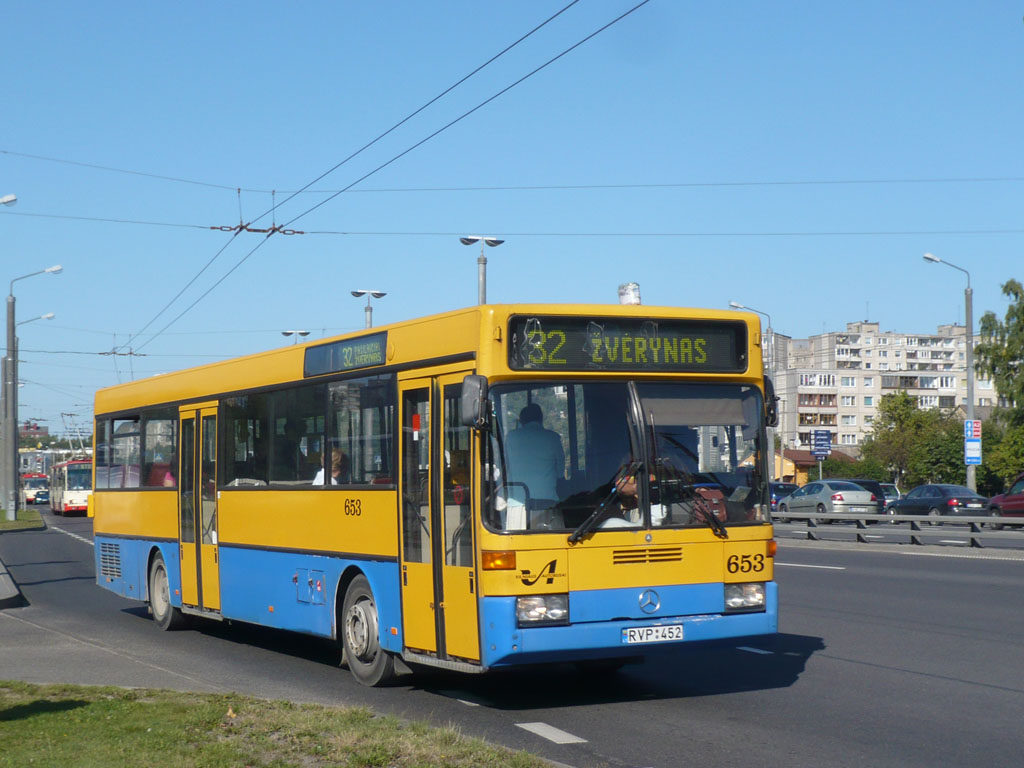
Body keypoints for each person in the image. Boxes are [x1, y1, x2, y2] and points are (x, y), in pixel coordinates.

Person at [504, 402, 565, 505]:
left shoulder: (511, 437)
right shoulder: (553, 438)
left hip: (517, 504)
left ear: (521, 421)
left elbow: (505, 467)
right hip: (548, 503)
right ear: (541, 419)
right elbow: (560, 473)